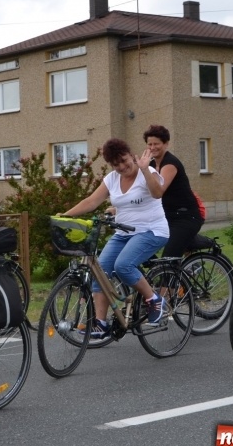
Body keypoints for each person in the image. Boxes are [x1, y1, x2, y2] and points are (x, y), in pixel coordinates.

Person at [60, 138, 170, 337]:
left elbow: (157, 193)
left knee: (123, 265)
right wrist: (65, 215)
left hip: (151, 231)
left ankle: (154, 300)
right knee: (99, 270)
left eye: (124, 160)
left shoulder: (147, 172)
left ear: (131, 155)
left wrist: (145, 169)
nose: (121, 166)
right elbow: (92, 200)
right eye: (116, 164)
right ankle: (100, 322)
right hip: (123, 233)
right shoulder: (112, 178)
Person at [143, 125, 204, 258]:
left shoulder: (170, 163)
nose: (152, 147)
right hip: (166, 217)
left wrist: (145, 170)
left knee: (168, 259)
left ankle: (194, 244)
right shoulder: (151, 165)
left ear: (166, 144)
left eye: (156, 144)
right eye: (149, 144)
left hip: (185, 217)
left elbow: (159, 190)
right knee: (141, 246)